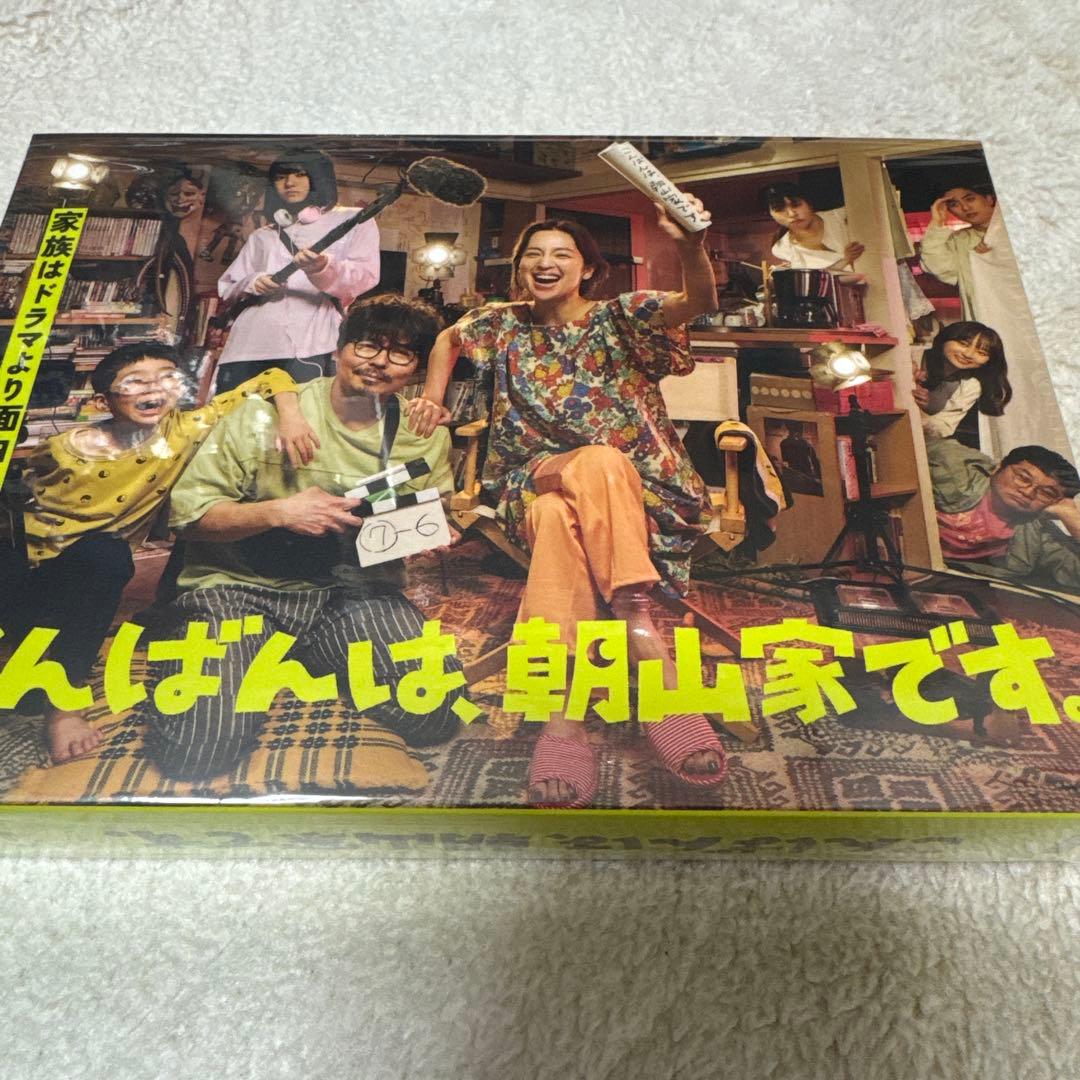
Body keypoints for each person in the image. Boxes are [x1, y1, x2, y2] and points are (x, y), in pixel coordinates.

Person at [408, 207, 727, 808]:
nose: (545, 264)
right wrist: (432, 396)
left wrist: (691, 246)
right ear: (518, 268)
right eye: (533, 254)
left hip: (642, 492)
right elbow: (449, 337)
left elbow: (697, 301)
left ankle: (563, 719)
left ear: (588, 270)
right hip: (530, 476)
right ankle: (639, 626)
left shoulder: (620, 317)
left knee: (565, 509)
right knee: (592, 463)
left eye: (561, 255)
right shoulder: (502, 323)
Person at [143, 295, 462, 782]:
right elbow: (187, 517)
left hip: (352, 593)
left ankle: (311, 656)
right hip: (238, 589)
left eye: (400, 353)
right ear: (339, 350)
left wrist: (427, 532)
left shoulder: (423, 433)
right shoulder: (262, 414)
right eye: (367, 346)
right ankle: (246, 660)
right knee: (197, 752)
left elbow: (429, 513)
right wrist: (279, 512)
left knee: (436, 710)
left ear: (416, 370)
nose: (379, 362)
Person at [1, 342, 314, 764]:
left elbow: (272, 377)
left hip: (85, 574)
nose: (153, 389)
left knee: (107, 556)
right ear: (103, 401)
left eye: (166, 378)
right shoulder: (60, 448)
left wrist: (291, 415)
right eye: (134, 382)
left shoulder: (182, 430)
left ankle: (63, 707)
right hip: (22, 568)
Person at [919, 179, 1073, 461]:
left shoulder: (1025, 229)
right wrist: (938, 223)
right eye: (954, 204)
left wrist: (998, 252)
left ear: (990, 198)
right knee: (1012, 398)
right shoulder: (962, 241)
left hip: (1040, 330)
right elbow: (939, 266)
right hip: (995, 335)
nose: (964, 208)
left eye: (970, 198)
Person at [213, 147, 380, 393]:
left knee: (303, 413)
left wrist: (324, 266)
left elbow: (365, 277)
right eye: (281, 177)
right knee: (235, 413)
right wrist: (254, 282)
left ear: (318, 177)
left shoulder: (354, 220)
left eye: (300, 174)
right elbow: (227, 287)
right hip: (248, 346)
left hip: (312, 345)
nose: (289, 183)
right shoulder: (263, 235)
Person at [927, 438, 1080, 593]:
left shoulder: (1036, 534)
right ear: (999, 467)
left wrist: (1072, 517)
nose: (1028, 492)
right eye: (1023, 478)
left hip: (938, 585)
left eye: (1046, 493)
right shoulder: (954, 468)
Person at [914, 321, 1012, 440]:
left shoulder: (972, 385)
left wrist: (924, 412)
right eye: (963, 344)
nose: (968, 354)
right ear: (946, 338)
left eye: (981, 353)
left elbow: (943, 426)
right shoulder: (914, 355)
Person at [763, 181, 864, 270]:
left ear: (809, 203)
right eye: (779, 209)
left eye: (796, 205)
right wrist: (845, 260)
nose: (792, 214)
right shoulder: (782, 248)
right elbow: (816, 278)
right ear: (771, 215)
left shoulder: (841, 215)